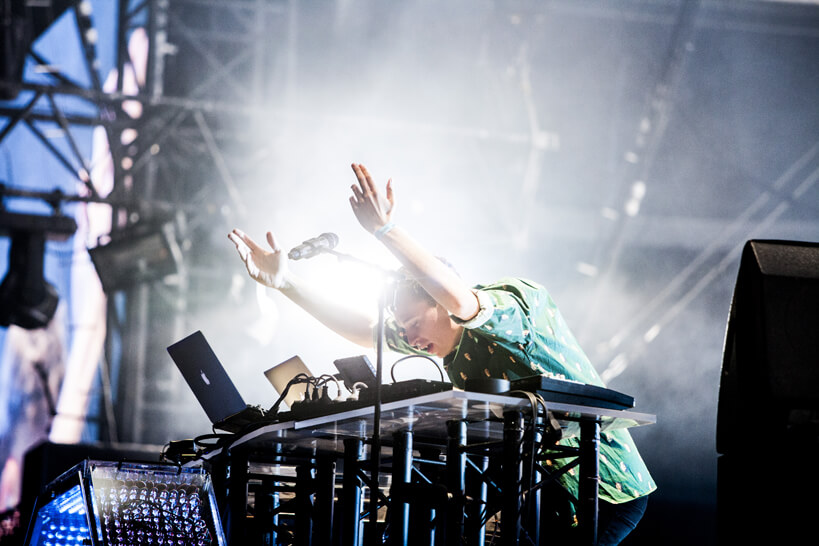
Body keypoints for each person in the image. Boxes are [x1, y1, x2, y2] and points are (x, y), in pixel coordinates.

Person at [229, 163, 656, 545]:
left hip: (607, 490)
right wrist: (287, 283)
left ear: (438, 302)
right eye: (404, 328)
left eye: (414, 323)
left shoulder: (510, 305)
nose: (409, 337)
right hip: (547, 492)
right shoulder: (441, 339)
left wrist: (385, 231)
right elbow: (365, 330)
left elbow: (460, 299)